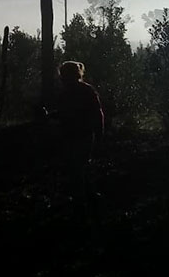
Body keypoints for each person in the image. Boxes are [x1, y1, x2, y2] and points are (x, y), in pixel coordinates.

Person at [54, 60, 104, 219]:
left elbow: (64, 114)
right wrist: (100, 133)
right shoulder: (87, 90)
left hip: (74, 136)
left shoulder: (65, 93)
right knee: (81, 167)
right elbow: (98, 113)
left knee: (76, 169)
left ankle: (81, 203)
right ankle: (89, 198)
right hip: (83, 135)